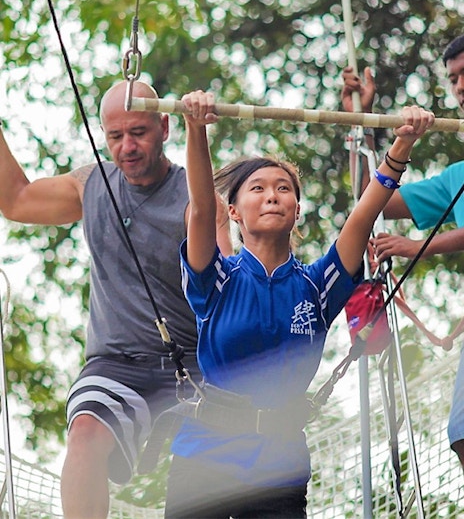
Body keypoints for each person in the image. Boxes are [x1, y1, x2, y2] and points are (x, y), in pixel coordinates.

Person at [159, 89, 433, 518]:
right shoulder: (218, 278)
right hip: (205, 457)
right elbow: (199, 210)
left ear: (297, 208)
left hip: (278, 465)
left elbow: (362, 216)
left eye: (283, 189)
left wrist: (402, 144)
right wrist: (197, 129)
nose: (272, 196)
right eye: (258, 189)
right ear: (233, 211)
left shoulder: (317, 284)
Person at [0, 79, 231, 519]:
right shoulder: (91, 184)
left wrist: (199, 129)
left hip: (194, 365)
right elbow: (15, 201)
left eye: (138, 132)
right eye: (115, 136)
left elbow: (225, 284)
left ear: (164, 126)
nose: (127, 146)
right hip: (116, 364)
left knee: (212, 482)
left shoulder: (198, 201)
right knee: (84, 434)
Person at [341, 34, 464, 470]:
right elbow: (371, 198)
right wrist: (365, 123)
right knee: (463, 435)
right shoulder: (457, 177)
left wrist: (418, 247)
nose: (460, 86)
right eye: (453, 78)